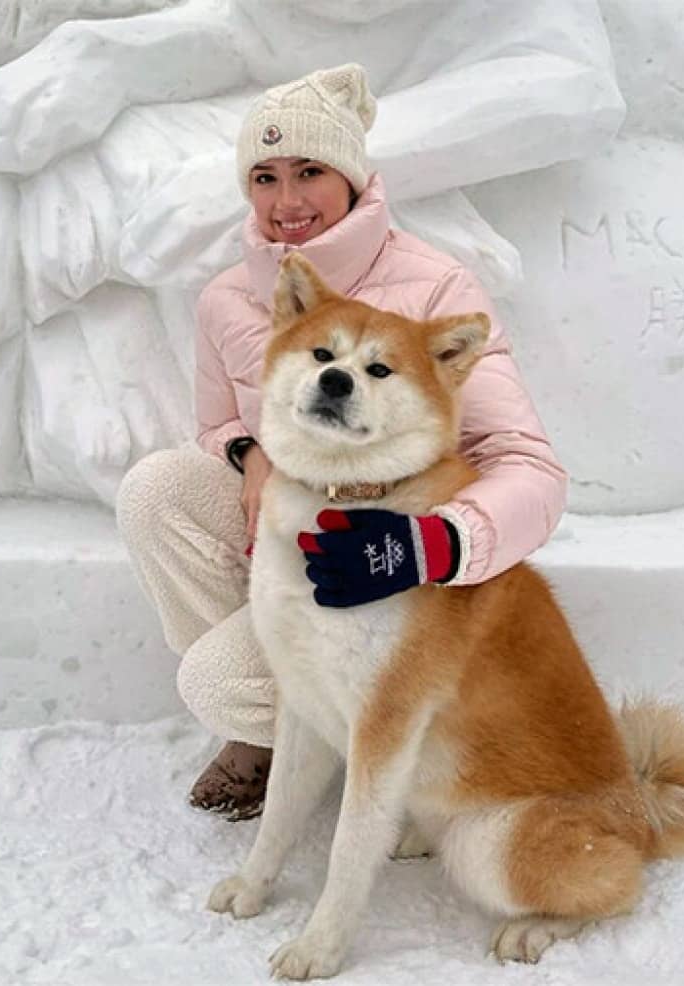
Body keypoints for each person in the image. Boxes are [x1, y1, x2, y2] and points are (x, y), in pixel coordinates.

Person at [115, 63, 568, 820]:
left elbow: (526, 464)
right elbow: (216, 423)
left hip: (392, 567)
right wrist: (248, 453)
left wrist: (429, 544)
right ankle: (273, 726)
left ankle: (353, 726)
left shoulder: (432, 287)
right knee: (156, 490)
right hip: (294, 537)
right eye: (264, 176)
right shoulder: (228, 297)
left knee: (215, 682)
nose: (286, 202)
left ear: (353, 178)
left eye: (309, 172)